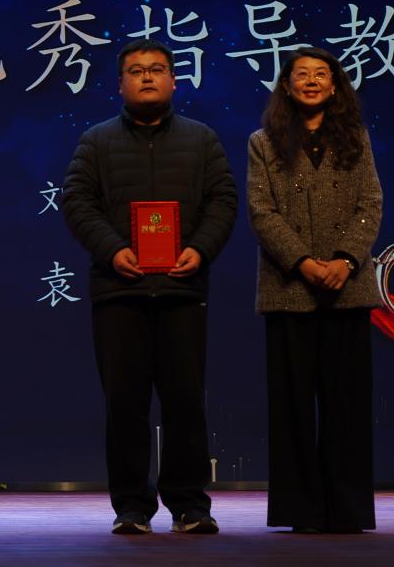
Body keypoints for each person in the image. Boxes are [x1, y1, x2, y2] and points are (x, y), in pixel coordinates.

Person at [62, 39, 237, 535]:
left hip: (182, 289)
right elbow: (77, 202)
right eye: (136, 70)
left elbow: (223, 200)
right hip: (119, 292)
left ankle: (189, 504)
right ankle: (131, 507)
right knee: (125, 405)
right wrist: (112, 250)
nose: (146, 77)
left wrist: (200, 249)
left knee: (186, 402)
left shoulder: (201, 139)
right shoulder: (96, 141)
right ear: (120, 84)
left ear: (173, 81)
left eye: (156, 69)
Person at [246, 46, 382, 533]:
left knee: (347, 405)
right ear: (286, 86)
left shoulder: (355, 137)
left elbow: (371, 202)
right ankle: (300, 510)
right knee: (294, 407)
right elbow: (261, 211)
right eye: (301, 74)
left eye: (321, 74)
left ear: (335, 86)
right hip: (289, 288)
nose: (310, 81)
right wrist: (303, 262)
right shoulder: (263, 142)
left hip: (348, 286)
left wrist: (346, 260)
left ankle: (347, 510)